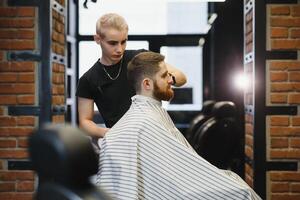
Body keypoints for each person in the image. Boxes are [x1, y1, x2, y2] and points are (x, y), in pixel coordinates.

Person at [96, 52, 261, 200]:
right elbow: (173, 184)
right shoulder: (144, 123)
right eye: (164, 76)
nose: (171, 80)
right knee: (241, 193)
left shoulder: (149, 114)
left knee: (236, 183)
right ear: (147, 84)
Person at [76, 13, 186, 139]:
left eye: (123, 42)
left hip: (155, 133)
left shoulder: (140, 59)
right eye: (113, 43)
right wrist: (111, 133)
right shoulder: (88, 79)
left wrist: (168, 80)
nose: (119, 49)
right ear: (97, 39)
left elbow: (181, 77)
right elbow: (85, 123)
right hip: (123, 141)